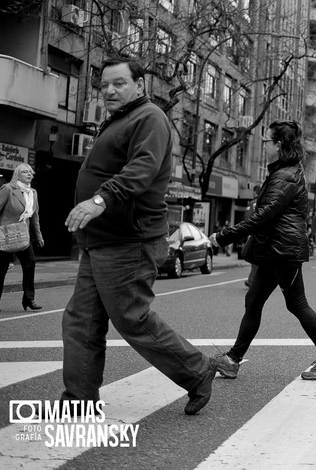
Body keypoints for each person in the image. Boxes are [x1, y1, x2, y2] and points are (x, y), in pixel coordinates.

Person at [62, 56, 216, 415]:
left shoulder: (150, 118)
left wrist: (100, 199)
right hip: (102, 240)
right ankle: (78, 402)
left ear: (139, 85)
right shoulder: (118, 120)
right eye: (105, 85)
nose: (110, 90)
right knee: (81, 320)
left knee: (131, 317)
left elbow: (142, 169)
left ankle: (197, 370)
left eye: (119, 83)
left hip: (129, 240)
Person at [209, 120, 316, 382]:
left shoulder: (285, 175)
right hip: (273, 249)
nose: (264, 146)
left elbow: (262, 217)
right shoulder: (283, 171)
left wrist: (222, 237)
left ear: (278, 145)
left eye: (267, 141)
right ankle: (232, 361)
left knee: (297, 304)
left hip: (283, 250)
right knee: (254, 301)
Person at [0, 162, 44, 311]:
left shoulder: (33, 193)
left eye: (31, 172)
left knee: (30, 263)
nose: (29, 174)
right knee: (1, 269)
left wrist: (38, 236)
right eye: (26, 172)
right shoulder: (7, 189)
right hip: (6, 234)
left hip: (24, 235)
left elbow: (34, 217)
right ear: (17, 174)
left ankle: (29, 299)